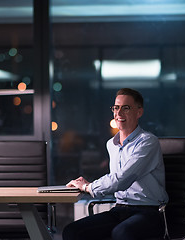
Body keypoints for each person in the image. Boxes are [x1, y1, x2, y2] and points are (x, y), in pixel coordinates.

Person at [63, 88, 168, 240]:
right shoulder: (110, 145)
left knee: (122, 233)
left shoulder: (147, 142)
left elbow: (122, 179)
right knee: (72, 231)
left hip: (150, 212)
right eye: (116, 108)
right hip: (120, 209)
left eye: (126, 108)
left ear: (139, 112)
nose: (119, 113)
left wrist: (88, 187)